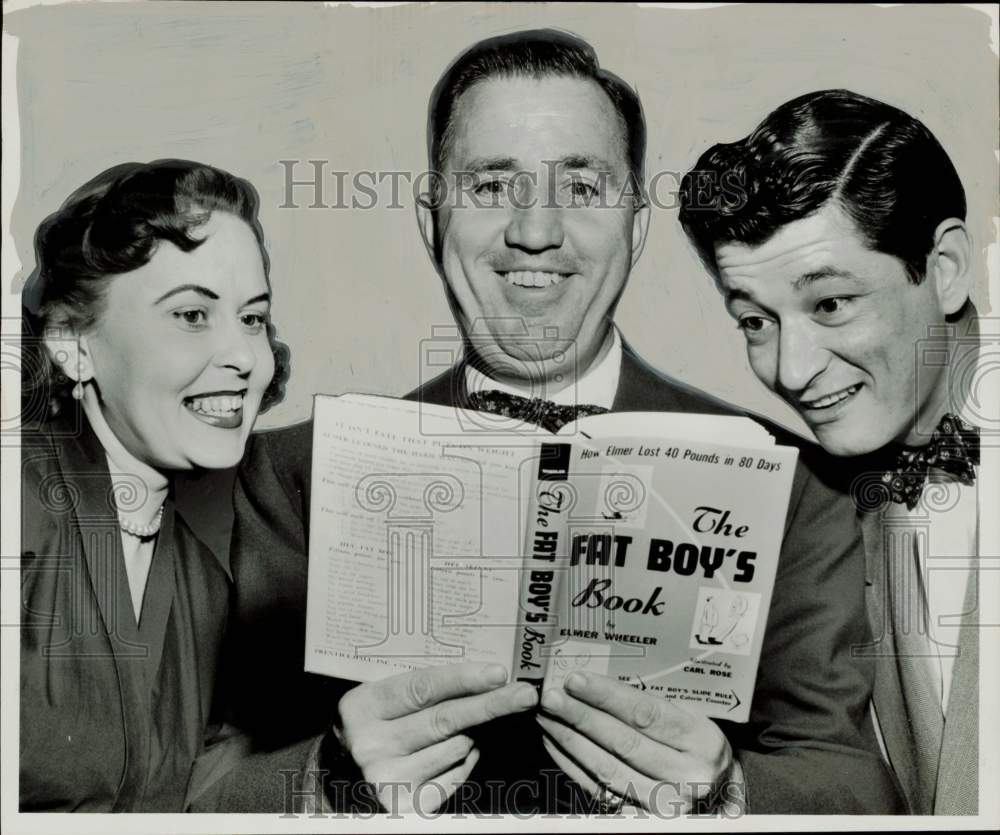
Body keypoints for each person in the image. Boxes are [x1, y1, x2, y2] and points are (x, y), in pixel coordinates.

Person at [229, 32, 903, 814]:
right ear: (430, 221)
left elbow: (857, 785)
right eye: (490, 186)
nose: (536, 232)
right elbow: (192, 785)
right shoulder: (285, 479)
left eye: (582, 190)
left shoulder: (792, 483)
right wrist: (326, 782)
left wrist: (730, 794)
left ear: (636, 228)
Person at [679, 88, 986, 815]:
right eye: (756, 320)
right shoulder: (811, 508)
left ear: (943, 269)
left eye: (830, 304)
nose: (791, 369)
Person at [18, 159, 293, 811]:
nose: (247, 357)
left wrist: (341, 767)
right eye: (193, 314)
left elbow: (201, 793)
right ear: (72, 343)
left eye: (252, 318)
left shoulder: (203, 578)